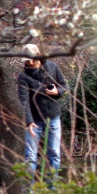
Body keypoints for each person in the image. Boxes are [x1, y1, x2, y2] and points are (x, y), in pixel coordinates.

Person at [17, 47, 67, 185]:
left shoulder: (52, 67)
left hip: (53, 116)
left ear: (38, 56)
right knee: (30, 156)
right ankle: (29, 192)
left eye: (31, 59)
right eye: (26, 60)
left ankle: (52, 188)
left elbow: (64, 85)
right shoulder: (23, 76)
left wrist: (57, 92)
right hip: (34, 121)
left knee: (54, 155)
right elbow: (24, 101)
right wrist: (28, 121)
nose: (29, 63)